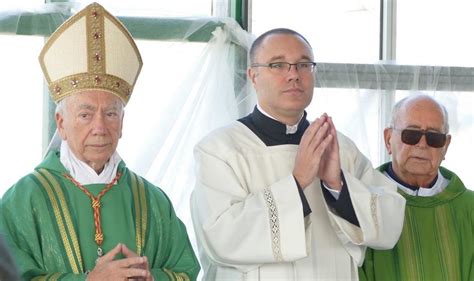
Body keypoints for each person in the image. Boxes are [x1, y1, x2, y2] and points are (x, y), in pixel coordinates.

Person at [0, 3, 200, 280]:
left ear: (122, 123)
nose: (100, 128)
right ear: (61, 124)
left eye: (110, 114)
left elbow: (185, 271)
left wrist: (150, 278)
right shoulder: (22, 200)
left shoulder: (152, 200)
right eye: (85, 114)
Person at [190, 28, 406, 281]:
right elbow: (221, 238)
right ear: (253, 75)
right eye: (278, 65)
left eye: (303, 65)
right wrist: (297, 182)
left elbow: (389, 224)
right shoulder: (220, 149)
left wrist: (337, 186)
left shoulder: (340, 147)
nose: (293, 75)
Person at [359, 95, 474, 281]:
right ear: (388, 139)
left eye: (434, 137)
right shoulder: (360, 203)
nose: (422, 145)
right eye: (411, 135)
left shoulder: (469, 209)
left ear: (445, 146)